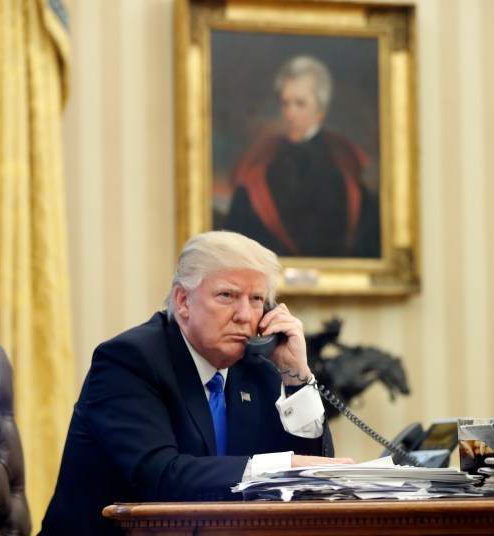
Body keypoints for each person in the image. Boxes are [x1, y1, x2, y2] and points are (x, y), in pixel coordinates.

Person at [39, 231, 353, 535]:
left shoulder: (257, 368)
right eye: (227, 295)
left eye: (256, 299)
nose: (244, 314)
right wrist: (279, 467)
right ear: (184, 301)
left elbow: (314, 480)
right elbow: (160, 477)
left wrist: (297, 375)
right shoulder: (129, 360)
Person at [224, 55, 381, 258]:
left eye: (300, 104)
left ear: (321, 111)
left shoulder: (344, 169)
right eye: (285, 103)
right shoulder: (261, 165)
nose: (290, 114)